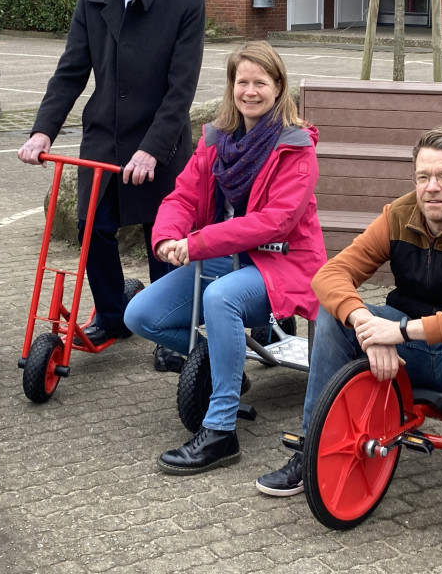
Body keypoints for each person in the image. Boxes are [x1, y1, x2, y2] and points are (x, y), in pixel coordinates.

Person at [256, 126, 442, 557]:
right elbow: (329, 275)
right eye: (423, 177)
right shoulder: (399, 215)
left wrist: (400, 332)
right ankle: (313, 449)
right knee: (334, 313)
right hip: (410, 341)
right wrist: (367, 324)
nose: (431, 188)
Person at [124, 41, 327, 475]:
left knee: (220, 299)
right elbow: (182, 195)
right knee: (140, 315)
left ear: (278, 87)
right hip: (224, 255)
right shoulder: (217, 140)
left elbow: (274, 222)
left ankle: (220, 433)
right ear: (231, 86)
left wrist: (197, 243)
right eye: (242, 81)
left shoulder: (296, 147)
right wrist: (166, 237)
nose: (250, 91)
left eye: (260, 82)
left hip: (283, 262)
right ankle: (230, 366)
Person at [18, 0, 205, 355]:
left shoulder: (185, 3)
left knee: (161, 234)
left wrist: (152, 151)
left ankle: (166, 327)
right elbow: (70, 73)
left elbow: (181, 91)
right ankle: (111, 316)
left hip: (160, 140)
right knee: (92, 227)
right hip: (103, 138)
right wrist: (43, 131)